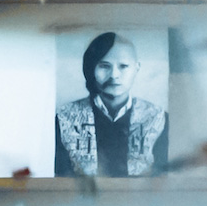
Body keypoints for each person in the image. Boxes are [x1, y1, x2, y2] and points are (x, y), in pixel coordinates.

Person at [55, 32, 169, 177]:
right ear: (91, 68)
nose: (114, 75)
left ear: (137, 68)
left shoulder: (158, 118)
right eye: (104, 66)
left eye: (123, 66)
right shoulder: (64, 118)